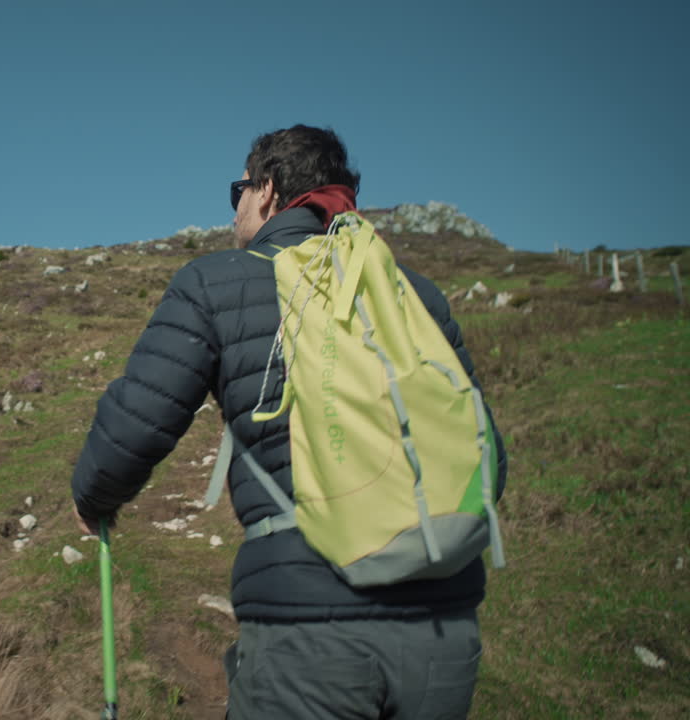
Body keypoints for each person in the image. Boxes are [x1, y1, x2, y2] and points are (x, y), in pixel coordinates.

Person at [70, 124, 506, 719]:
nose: (233, 213)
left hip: (309, 635)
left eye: (238, 192)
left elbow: (136, 422)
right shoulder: (413, 295)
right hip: (445, 635)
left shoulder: (217, 281)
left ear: (269, 190)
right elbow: (488, 458)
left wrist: (93, 495)